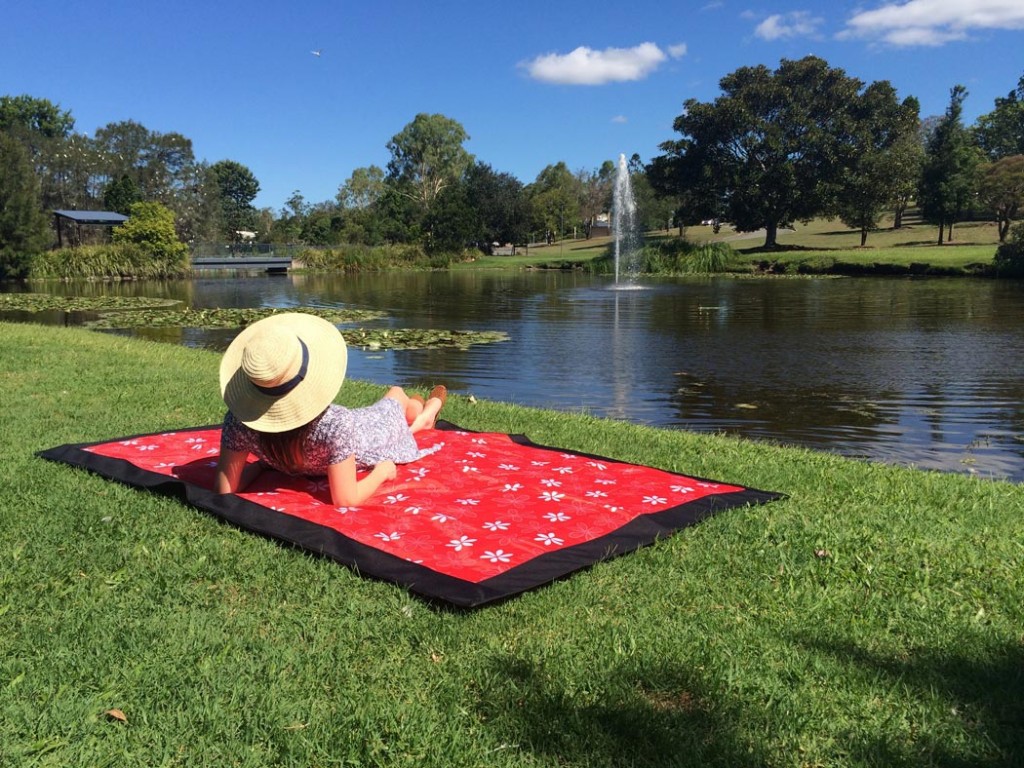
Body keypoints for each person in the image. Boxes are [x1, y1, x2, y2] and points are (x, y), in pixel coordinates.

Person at [214, 312, 446, 506]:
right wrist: (382, 472)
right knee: (396, 394)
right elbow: (346, 499)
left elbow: (225, 488)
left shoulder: (239, 421)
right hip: (370, 438)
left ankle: (419, 413)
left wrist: (262, 465)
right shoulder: (334, 424)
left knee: (395, 400)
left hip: (349, 435)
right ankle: (424, 415)